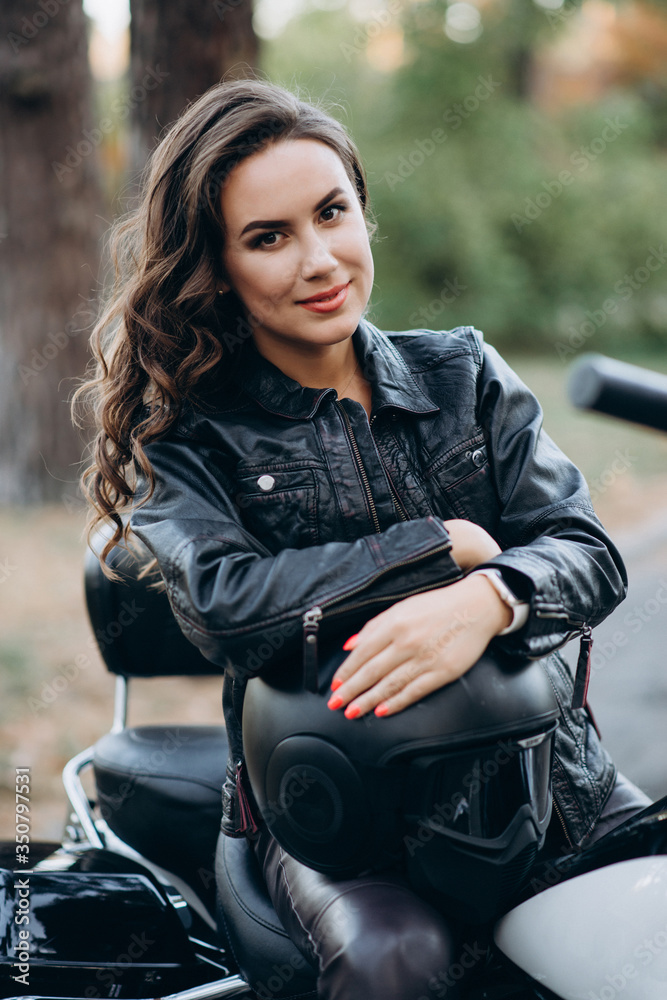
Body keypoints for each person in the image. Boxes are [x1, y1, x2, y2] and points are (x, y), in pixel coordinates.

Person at [76, 78, 649, 999]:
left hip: (553, 787)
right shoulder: (184, 439)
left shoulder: (462, 372)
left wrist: (486, 597)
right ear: (218, 267)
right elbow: (228, 607)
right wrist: (438, 549)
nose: (319, 259)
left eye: (331, 212)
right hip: (335, 825)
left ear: (362, 212)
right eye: (269, 237)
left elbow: (586, 549)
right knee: (393, 965)